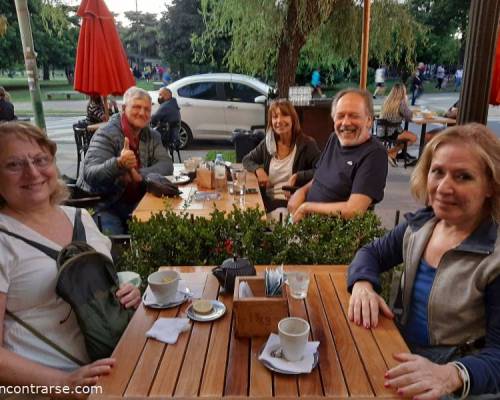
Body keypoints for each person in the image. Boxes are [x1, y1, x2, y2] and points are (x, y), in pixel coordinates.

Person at [347, 123, 500, 399]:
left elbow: (497, 355)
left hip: (455, 381)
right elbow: (371, 253)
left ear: (490, 185)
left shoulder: (495, 258)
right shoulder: (421, 225)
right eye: (437, 171)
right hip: (401, 352)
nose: (443, 187)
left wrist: (453, 374)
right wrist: (362, 284)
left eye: (463, 177)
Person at [0, 121, 141, 395]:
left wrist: (125, 292)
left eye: (41, 159)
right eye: (13, 165)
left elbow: (99, 283)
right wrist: (62, 384)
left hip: (111, 373)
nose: (32, 172)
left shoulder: (81, 218)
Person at [77, 87, 173, 234]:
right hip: (105, 205)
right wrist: (118, 164)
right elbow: (90, 174)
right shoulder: (105, 134)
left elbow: (166, 165)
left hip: (138, 202)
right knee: (115, 249)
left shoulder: (152, 135)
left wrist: (139, 174)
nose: (142, 113)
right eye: (136, 107)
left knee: (162, 236)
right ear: (123, 108)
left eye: (147, 109)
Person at [287, 88, 388, 223]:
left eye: (354, 116)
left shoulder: (374, 154)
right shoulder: (334, 138)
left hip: (335, 237)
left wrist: (306, 208)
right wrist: (302, 191)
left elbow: (354, 210)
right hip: (305, 222)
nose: (346, 123)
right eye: (340, 116)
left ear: (369, 120)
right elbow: (319, 178)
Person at [242, 99, 321, 214]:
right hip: (267, 199)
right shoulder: (268, 143)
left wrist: (297, 176)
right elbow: (247, 159)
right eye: (275, 117)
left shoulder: (306, 144)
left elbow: (322, 170)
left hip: (292, 202)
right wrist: (258, 170)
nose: (279, 121)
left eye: (284, 115)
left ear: (293, 118)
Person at [378, 83, 417, 167]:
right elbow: (409, 116)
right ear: (402, 92)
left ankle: (393, 154)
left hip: (381, 132)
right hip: (392, 132)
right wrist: (406, 102)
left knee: (403, 138)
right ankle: (390, 153)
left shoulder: (386, 101)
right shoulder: (401, 103)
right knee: (413, 138)